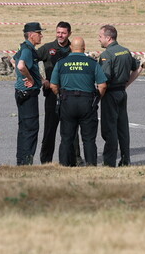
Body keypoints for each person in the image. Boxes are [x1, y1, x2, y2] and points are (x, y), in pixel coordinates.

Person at [48, 35, 107, 167]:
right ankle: (91, 165)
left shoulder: (61, 63)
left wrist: (60, 96)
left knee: (66, 138)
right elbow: (102, 85)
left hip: (67, 102)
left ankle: (64, 165)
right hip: (87, 102)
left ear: (70, 48)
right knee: (89, 139)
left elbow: (53, 85)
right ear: (84, 48)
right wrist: (96, 99)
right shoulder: (92, 63)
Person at [97, 24, 141, 167]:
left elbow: (105, 78)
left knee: (109, 129)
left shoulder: (106, 55)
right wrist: (125, 85)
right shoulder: (125, 51)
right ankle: (125, 159)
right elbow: (138, 68)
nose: (99, 39)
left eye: (100, 37)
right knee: (123, 128)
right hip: (122, 92)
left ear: (108, 38)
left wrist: (98, 96)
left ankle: (109, 162)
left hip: (110, 94)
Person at [36, 21, 80, 165]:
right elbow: (29, 61)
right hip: (51, 95)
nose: (60, 35)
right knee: (50, 129)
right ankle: (46, 160)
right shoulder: (48, 48)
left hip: (70, 95)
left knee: (72, 130)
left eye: (63, 33)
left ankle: (75, 159)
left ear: (69, 34)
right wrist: (42, 80)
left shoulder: (74, 49)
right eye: (58, 32)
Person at [14, 22, 45, 165]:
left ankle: (21, 159)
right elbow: (21, 65)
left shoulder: (23, 47)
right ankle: (26, 161)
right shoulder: (27, 49)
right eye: (39, 33)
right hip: (28, 93)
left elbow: (12, 59)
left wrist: (39, 79)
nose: (41, 36)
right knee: (31, 128)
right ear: (32, 35)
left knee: (24, 128)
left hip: (21, 92)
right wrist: (30, 79)